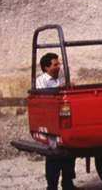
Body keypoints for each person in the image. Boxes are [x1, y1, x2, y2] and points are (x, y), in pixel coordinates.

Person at [36, 53, 76, 190]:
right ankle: (52, 187)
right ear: (47, 67)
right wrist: (61, 88)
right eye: (55, 64)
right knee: (53, 154)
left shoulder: (57, 79)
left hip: (61, 122)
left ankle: (67, 183)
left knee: (67, 152)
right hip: (51, 123)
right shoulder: (42, 80)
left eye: (58, 64)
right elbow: (46, 96)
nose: (58, 67)